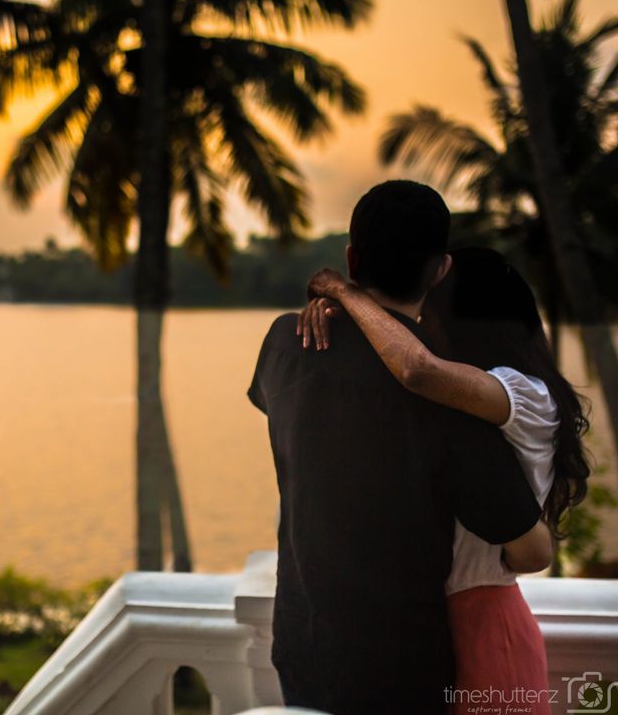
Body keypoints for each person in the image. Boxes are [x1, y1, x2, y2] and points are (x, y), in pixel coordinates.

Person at [247, 180, 544, 715]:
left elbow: (298, 406)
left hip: (301, 644)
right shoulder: (449, 393)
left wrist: (336, 304)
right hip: (401, 672)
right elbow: (526, 544)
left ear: (351, 257)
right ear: (439, 270)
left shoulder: (281, 344)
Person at [300, 247, 590, 715]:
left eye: (427, 309)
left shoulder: (521, 392)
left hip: (488, 627)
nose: (418, 321)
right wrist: (339, 321)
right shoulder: (462, 404)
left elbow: (417, 368)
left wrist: (344, 293)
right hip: (436, 628)